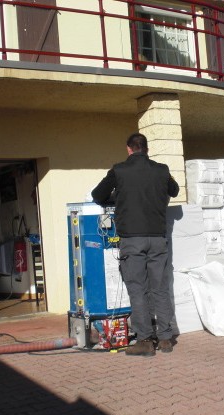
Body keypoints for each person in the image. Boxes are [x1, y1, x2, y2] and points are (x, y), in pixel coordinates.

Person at [91, 133, 179, 356]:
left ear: (129, 149)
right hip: (158, 239)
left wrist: (117, 198)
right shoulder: (161, 170)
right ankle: (166, 339)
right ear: (146, 149)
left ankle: (145, 341)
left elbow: (97, 195)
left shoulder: (119, 170)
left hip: (132, 239)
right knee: (160, 288)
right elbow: (174, 191)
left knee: (138, 289)